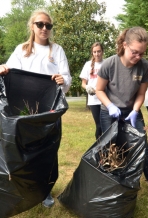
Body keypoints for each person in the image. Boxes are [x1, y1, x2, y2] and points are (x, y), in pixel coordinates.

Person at [96, 27, 148, 213]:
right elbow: (99, 90)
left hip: (132, 111)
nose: (138, 56)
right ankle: (110, 192)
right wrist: (110, 106)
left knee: (143, 150)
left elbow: (141, 93)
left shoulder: (145, 66)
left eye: (142, 53)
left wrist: (134, 110)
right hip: (109, 110)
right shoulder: (109, 64)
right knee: (109, 150)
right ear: (124, 45)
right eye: (134, 52)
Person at [0, 9, 72, 208]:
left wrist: (62, 79)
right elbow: (10, 72)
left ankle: (44, 191)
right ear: (32, 26)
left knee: (47, 152)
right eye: (40, 24)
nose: (44, 29)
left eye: (48, 26)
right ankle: (24, 188)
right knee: (25, 151)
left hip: (48, 113)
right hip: (24, 112)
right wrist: (4, 69)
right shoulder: (22, 49)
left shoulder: (57, 51)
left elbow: (66, 79)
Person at [79, 42, 103, 140]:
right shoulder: (88, 65)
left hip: (104, 99)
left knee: (106, 125)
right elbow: (83, 83)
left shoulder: (106, 63)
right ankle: (98, 147)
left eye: (99, 51)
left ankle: (107, 147)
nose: (97, 54)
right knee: (99, 125)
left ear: (102, 51)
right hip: (93, 100)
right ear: (92, 53)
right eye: (94, 52)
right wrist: (88, 87)